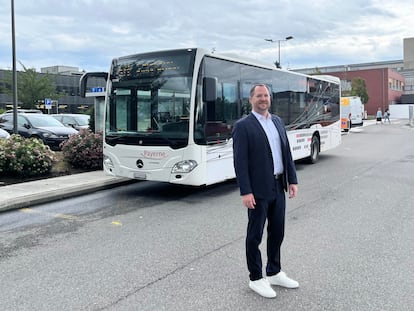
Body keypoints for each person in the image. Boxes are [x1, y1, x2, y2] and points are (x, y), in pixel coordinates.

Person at [232, 84, 299, 299]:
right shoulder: (243, 126)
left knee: (277, 232)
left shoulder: (277, 121)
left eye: (266, 95)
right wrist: (245, 191)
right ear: (251, 99)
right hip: (258, 190)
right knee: (255, 235)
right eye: (259, 96)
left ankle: (274, 271)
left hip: (278, 186)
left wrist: (292, 179)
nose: (264, 99)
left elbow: (286, 152)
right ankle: (255, 278)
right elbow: (240, 162)